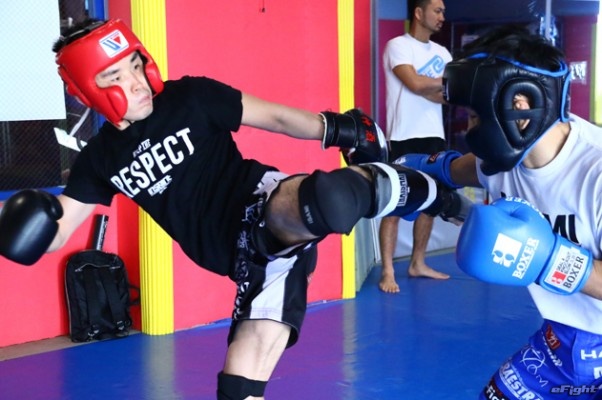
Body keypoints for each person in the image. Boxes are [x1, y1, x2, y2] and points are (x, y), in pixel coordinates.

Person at [0, 19, 469, 400]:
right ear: (87, 90)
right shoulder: (100, 159)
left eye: (135, 65)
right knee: (239, 389)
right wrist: (21, 224)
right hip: (244, 263)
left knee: (325, 198)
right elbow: (58, 230)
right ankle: (415, 187)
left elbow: (275, 117)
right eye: (115, 76)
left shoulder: (190, 97)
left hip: (259, 203)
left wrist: (337, 129)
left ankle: (438, 193)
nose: (136, 82)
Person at [400, 25, 602, 399]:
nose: (469, 128)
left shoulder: (596, 173)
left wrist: (550, 260)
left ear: (519, 105)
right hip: (562, 340)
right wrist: (395, 170)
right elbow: (452, 169)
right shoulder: (501, 162)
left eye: (475, 116)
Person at [379, 0, 454, 293]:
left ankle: (418, 263)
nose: (442, 16)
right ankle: (388, 271)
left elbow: (446, 96)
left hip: (434, 135)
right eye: (437, 10)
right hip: (403, 136)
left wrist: (430, 85)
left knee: (432, 202)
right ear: (419, 13)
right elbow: (414, 84)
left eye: (443, 11)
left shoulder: (443, 53)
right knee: (395, 205)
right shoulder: (398, 46)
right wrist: (434, 84)